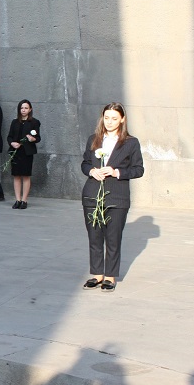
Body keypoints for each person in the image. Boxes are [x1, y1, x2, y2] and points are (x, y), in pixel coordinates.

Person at [81, 102, 144, 292]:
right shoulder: (94, 139)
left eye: (114, 118)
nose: (109, 122)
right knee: (94, 236)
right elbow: (84, 163)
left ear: (122, 119)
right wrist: (92, 171)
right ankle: (97, 273)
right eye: (106, 118)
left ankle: (110, 276)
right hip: (92, 194)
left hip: (117, 196)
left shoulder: (131, 142)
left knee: (113, 237)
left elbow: (138, 169)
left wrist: (116, 171)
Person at [6, 99, 41, 209]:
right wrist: (12, 143)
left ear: (30, 109)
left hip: (27, 152)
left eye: (26, 108)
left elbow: (38, 138)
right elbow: (9, 136)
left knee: (25, 176)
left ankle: (24, 200)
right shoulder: (14, 122)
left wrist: (32, 139)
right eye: (22, 108)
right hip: (15, 151)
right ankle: (17, 199)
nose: (23, 110)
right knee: (16, 175)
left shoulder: (34, 122)